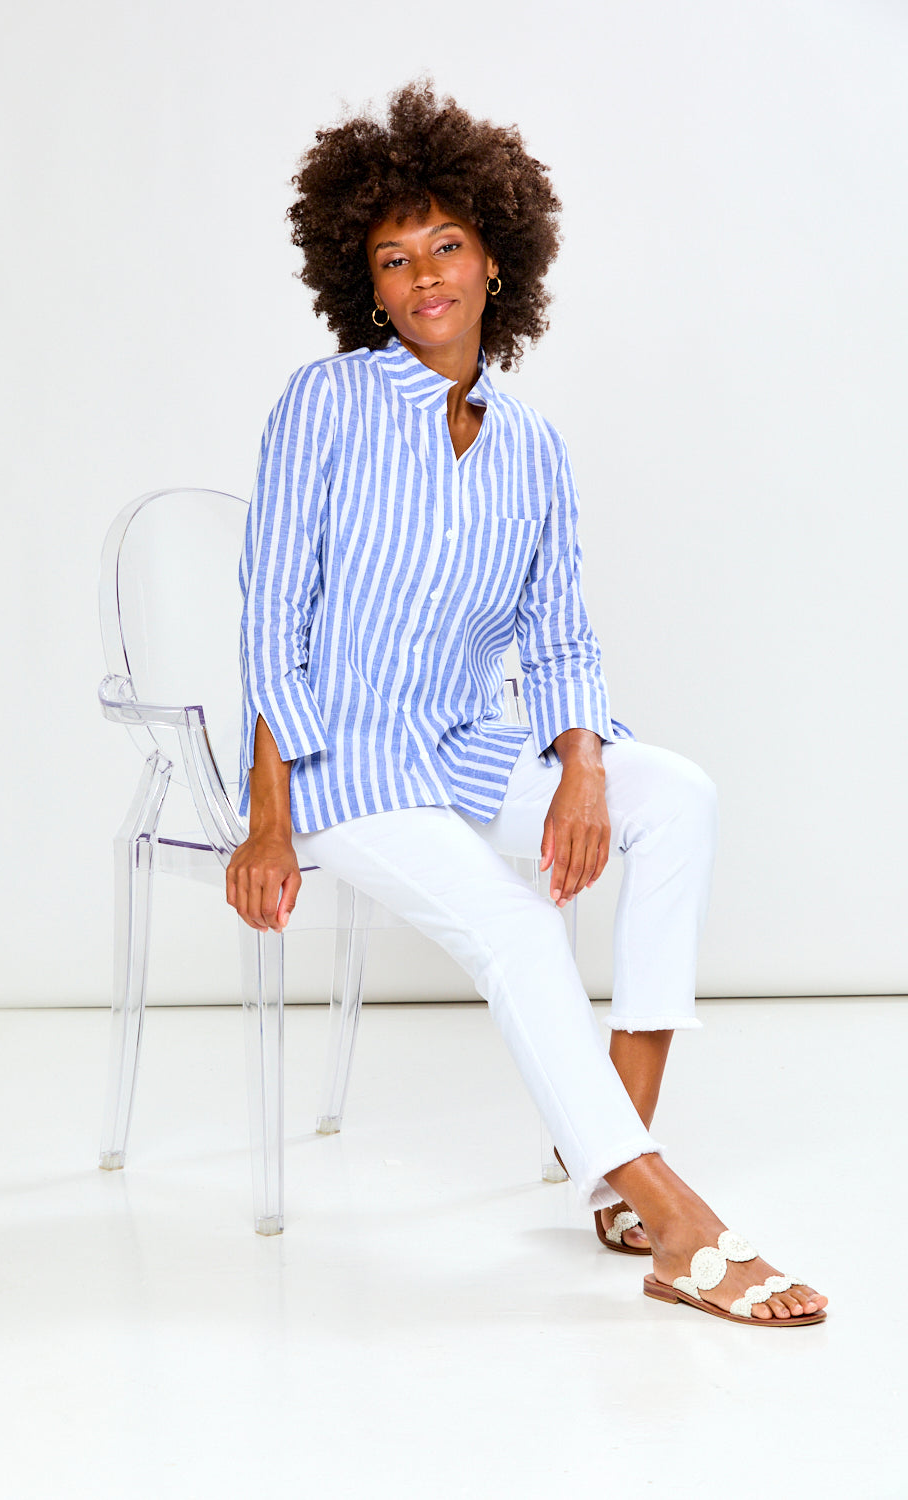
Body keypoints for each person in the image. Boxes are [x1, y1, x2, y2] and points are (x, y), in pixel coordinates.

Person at [226, 81, 827, 1325]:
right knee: (517, 925)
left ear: (498, 256)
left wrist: (586, 774)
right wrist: (267, 814)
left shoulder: (532, 448)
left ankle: (609, 1157)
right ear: (366, 284)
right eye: (394, 259)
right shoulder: (323, 405)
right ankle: (671, 1222)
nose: (423, 276)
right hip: (345, 768)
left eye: (446, 244)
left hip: (463, 748)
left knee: (681, 797)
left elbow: (558, 632)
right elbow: (268, 626)